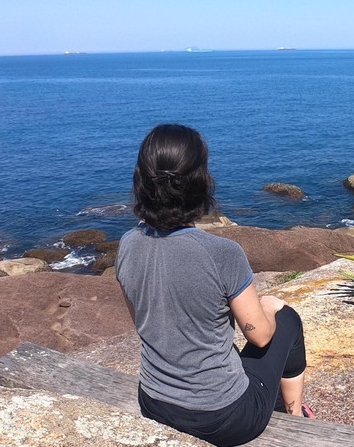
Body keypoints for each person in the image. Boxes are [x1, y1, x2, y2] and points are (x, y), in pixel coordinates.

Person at [116, 124, 311, 447]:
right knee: (286, 318)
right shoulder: (222, 253)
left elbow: (142, 321)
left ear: (142, 181)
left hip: (154, 402)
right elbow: (260, 336)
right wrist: (271, 308)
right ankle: (296, 418)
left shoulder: (127, 245)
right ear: (200, 182)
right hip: (224, 418)